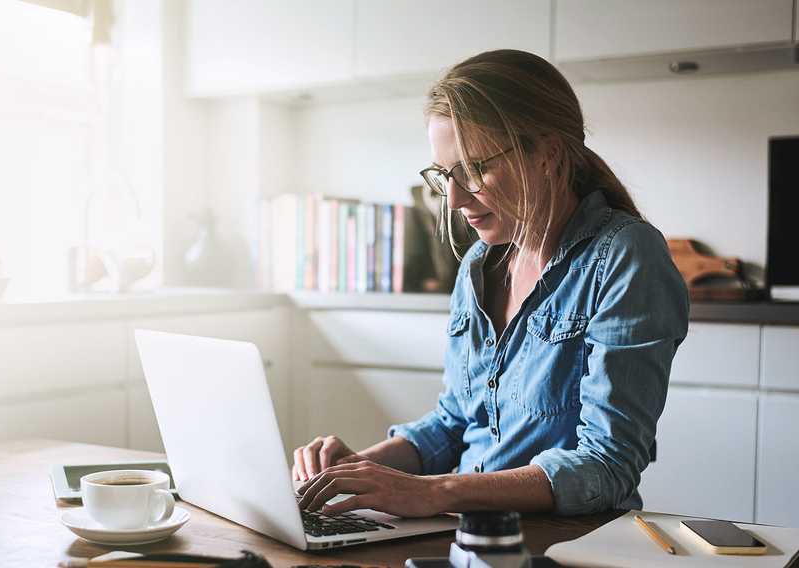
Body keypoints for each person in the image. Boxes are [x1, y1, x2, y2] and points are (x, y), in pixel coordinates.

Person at [293, 49, 689, 518]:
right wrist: (356, 471)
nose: (455, 198)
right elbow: (454, 424)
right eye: (444, 176)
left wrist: (437, 492)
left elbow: (607, 464)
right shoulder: (479, 266)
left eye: (475, 170)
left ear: (547, 153)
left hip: (566, 540)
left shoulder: (624, 256)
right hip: (464, 532)